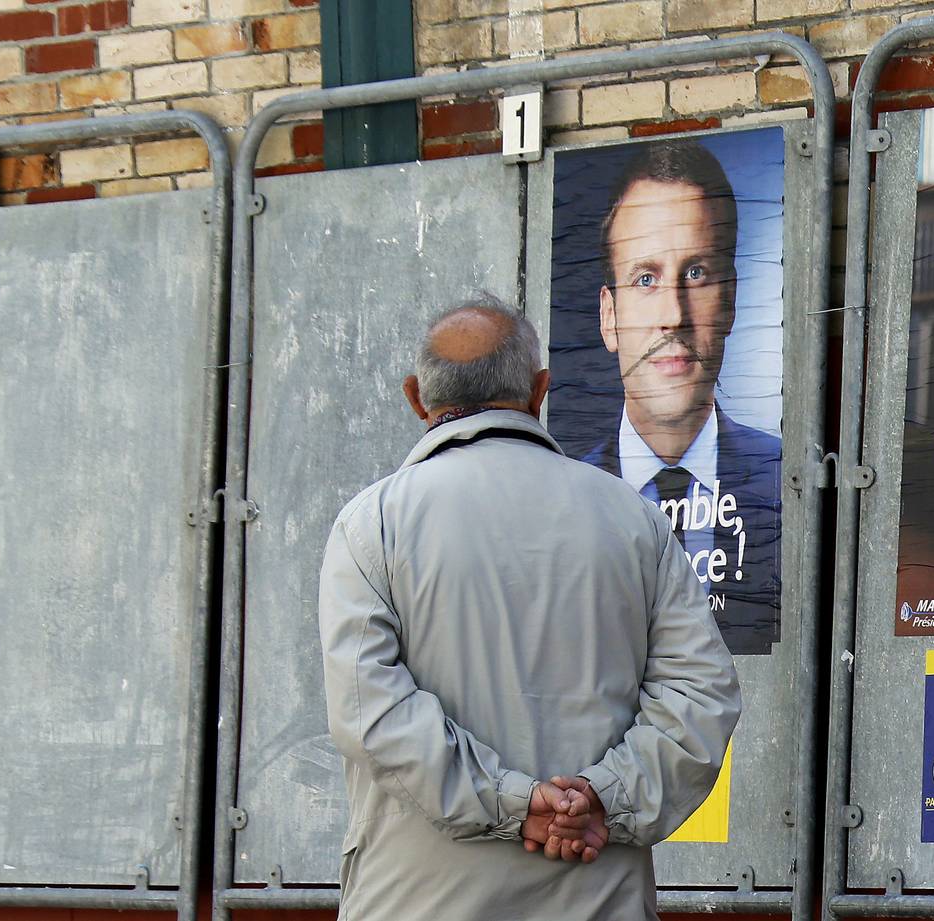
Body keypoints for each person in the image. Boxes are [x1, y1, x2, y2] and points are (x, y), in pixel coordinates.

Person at [318, 301, 740, 921]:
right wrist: (601, 799)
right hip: (599, 899)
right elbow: (701, 695)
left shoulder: (373, 525)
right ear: (540, 391)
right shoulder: (635, 520)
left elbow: (371, 713)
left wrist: (515, 804)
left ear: (416, 398)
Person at [582, 140, 782, 656]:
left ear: (730, 301)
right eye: (645, 279)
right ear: (610, 317)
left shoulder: (785, 484)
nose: (673, 314)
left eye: (696, 274)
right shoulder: (562, 501)